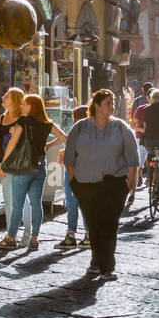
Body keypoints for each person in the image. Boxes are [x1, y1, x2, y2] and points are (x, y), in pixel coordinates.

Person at [63, 89, 139, 280]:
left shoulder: (121, 128)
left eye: (113, 103)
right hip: (85, 185)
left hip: (113, 184)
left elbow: (133, 159)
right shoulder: (79, 128)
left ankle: (107, 266)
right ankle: (96, 261)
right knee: (93, 224)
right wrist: (73, 181)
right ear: (96, 106)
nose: (112, 107)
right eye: (108, 103)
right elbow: (69, 157)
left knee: (109, 225)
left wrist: (129, 184)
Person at [0, 94, 65, 252]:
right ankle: (34, 238)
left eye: (25, 104)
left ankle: (10, 238)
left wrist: (3, 163)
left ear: (32, 106)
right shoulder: (47, 123)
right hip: (40, 167)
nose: (22, 107)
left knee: (17, 206)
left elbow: (13, 143)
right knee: (36, 203)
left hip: (23, 168)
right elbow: (63, 137)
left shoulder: (23, 121)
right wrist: (48, 145)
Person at [0, 87, 31, 247]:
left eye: (6, 96)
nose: (2, 97)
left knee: (23, 201)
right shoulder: (2, 118)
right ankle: (10, 236)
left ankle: (28, 235)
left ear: (14, 100)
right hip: (3, 164)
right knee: (9, 200)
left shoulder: (23, 119)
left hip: (19, 165)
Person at [59, 105, 90, 249]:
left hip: (74, 171)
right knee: (85, 204)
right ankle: (88, 235)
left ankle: (71, 235)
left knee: (72, 204)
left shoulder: (76, 130)